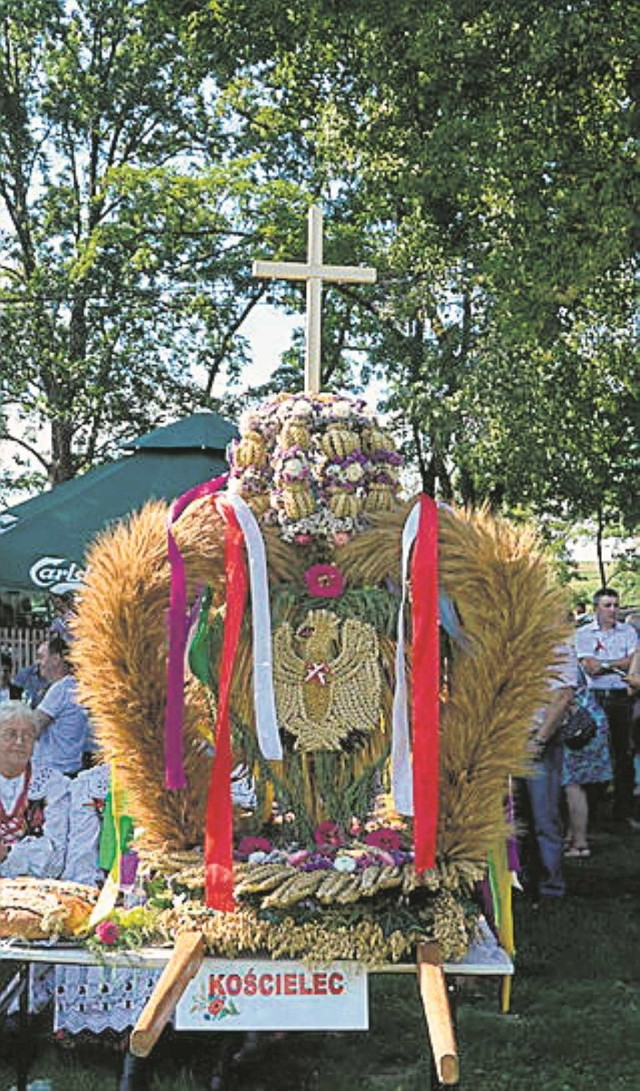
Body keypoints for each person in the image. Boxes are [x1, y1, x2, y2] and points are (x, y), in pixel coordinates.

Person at [575, 587, 638, 824]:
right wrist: (618, 664)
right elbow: (590, 667)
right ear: (596, 608)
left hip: (621, 697)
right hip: (595, 698)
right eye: (607, 605)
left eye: (615, 605)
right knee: (593, 753)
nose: (613, 610)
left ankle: (623, 810)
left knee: (623, 753)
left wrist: (605, 665)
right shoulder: (583, 634)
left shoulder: (628, 631)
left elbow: (633, 661)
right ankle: (591, 810)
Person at [523, 640, 577, 899]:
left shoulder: (558, 646)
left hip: (538, 742)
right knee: (511, 818)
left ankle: (551, 884)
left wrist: (539, 740)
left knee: (544, 816)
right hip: (506, 740)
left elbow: (563, 696)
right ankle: (517, 879)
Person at [0, 701, 70, 878]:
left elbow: (56, 854)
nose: (19, 742)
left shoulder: (52, 784)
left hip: (33, 886)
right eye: (10, 734)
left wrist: (9, 852)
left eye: (28, 736)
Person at [32, 635, 91, 776]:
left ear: (56, 658)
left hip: (52, 774)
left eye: (41, 657)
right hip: (71, 769)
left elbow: (33, 728)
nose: (38, 662)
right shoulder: (76, 686)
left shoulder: (60, 689)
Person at [11, 641, 50, 708]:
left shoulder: (61, 677)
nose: (38, 659)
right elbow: (12, 700)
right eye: (38, 656)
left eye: (42, 656)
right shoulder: (24, 674)